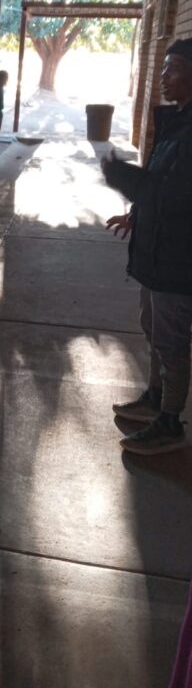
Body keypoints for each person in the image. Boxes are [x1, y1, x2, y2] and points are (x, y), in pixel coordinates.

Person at [103, 38, 192, 455]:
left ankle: (170, 422)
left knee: (172, 344)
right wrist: (136, 214)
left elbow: (174, 195)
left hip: (177, 259)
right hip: (156, 251)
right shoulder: (177, 122)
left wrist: (125, 178)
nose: (163, 76)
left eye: (173, 68)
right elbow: (160, 180)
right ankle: (155, 398)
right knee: (154, 330)